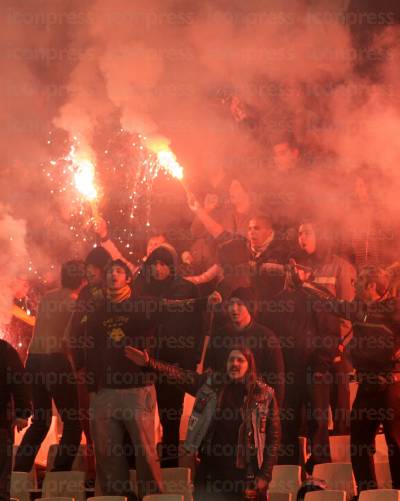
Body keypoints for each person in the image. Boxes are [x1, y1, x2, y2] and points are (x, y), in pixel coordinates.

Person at [125, 343, 281, 501]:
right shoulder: (211, 384)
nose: (234, 363)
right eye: (231, 360)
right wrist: (149, 363)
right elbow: (181, 375)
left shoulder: (263, 395)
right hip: (210, 472)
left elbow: (273, 440)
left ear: (249, 365)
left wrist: (264, 476)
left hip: (243, 475)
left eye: (240, 360)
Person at [300, 265, 400, 494]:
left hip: (391, 386)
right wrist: (305, 283)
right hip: (367, 386)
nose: (354, 285)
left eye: (360, 281)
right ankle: (368, 494)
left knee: (396, 443)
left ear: (372, 286)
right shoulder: (358, 308)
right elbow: (329, 302)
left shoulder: (395, 307)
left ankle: (399, 494)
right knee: (359, 445)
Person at [76, 259, 163, 500]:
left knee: (145, 452)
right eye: (110, 271)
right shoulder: (96, 311)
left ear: (128, 277)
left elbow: (166, 316)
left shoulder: (141, 305)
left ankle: (153, 497)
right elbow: (89, 351)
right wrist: (92, 387)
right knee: (107, 455)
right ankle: (117, 498)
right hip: (105, 391)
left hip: (138, 388)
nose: (113, 275)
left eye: (119, 271)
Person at [134, 243, 204, 466]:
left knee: (170, 418)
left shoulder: (186, 290)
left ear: (172, 266)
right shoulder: (141, 290)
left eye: (163, 264)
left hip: (173, 363)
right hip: (141, 364)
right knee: (137, 418)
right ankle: (142, 470)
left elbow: (198, 327)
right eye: (154, 263)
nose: (158, 268)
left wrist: (191, 359)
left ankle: (170, 469)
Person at [294, 220, 356, 473]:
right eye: (298, 233)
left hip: (337, 354)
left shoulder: (341, 267)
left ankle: (343, 470)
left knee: (340, 413)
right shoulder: (300, 269)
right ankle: (320, 469)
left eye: (307, 232)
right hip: (312, 355)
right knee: (317, 415)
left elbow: (349, 312)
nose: (301, 237)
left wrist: (340, 348)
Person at [14, 260, 86, 473]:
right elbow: (68, 338)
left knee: (40, 422)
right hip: (56, 361)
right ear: (83, 281)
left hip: (34, 360)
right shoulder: (76, 302)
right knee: (73, 424)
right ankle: (58, 476)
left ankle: (18, 474)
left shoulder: (47, 298)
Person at [205, 287, 285, 407]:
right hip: (222, 405)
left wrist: (272, 412)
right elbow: (208, 371)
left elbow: (277, 382)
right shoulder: (219, 335)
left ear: (250, 306)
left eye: (240, 304)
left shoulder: (266, 337)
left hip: (252, 407)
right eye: (231, 303)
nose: (234, 308)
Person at [0, 339, 31, 501]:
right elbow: (19, 379)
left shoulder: (4, 349)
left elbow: (19, 379)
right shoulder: (4, 349)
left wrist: (22, 412)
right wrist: (22, 412)